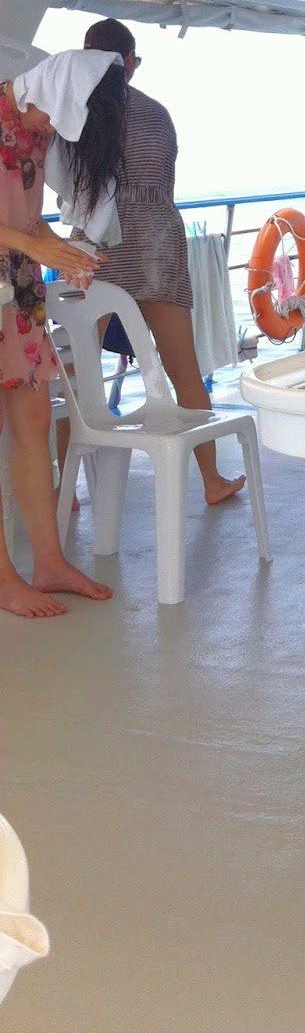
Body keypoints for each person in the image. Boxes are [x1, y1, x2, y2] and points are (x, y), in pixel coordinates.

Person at [78, 20, 244, 505]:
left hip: (95, 242)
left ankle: (62, 488)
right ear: (131, 62)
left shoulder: (77, 112)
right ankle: (211, 480)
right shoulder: (156, 113)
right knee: (184, 368)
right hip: (156, 241)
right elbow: (161, 178)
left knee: (78, 370)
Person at [0, 50, 125, 616]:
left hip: (18, 293)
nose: (53, 131)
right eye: (57, 119)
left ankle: (48, 562)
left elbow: (23, 218)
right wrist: (36, 245)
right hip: (13, 279)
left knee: (33, 424)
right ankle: (3, 578)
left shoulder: (33, 133)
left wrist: (64, 249)